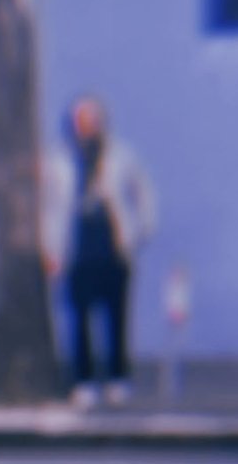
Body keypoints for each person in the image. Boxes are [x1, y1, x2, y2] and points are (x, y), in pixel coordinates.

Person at [42, 96, 157, 408]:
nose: (87, 126)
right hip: (77, 248)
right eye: (82, 120)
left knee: (117, 316)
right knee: (79, 317)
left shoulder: (119, 155)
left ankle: (118, 377)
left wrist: (140, 230)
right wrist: (50, 248)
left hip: (112, 247)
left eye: (92, 119)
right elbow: (49, 207)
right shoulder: (59, 159)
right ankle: (84, 380)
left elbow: (142, 191)